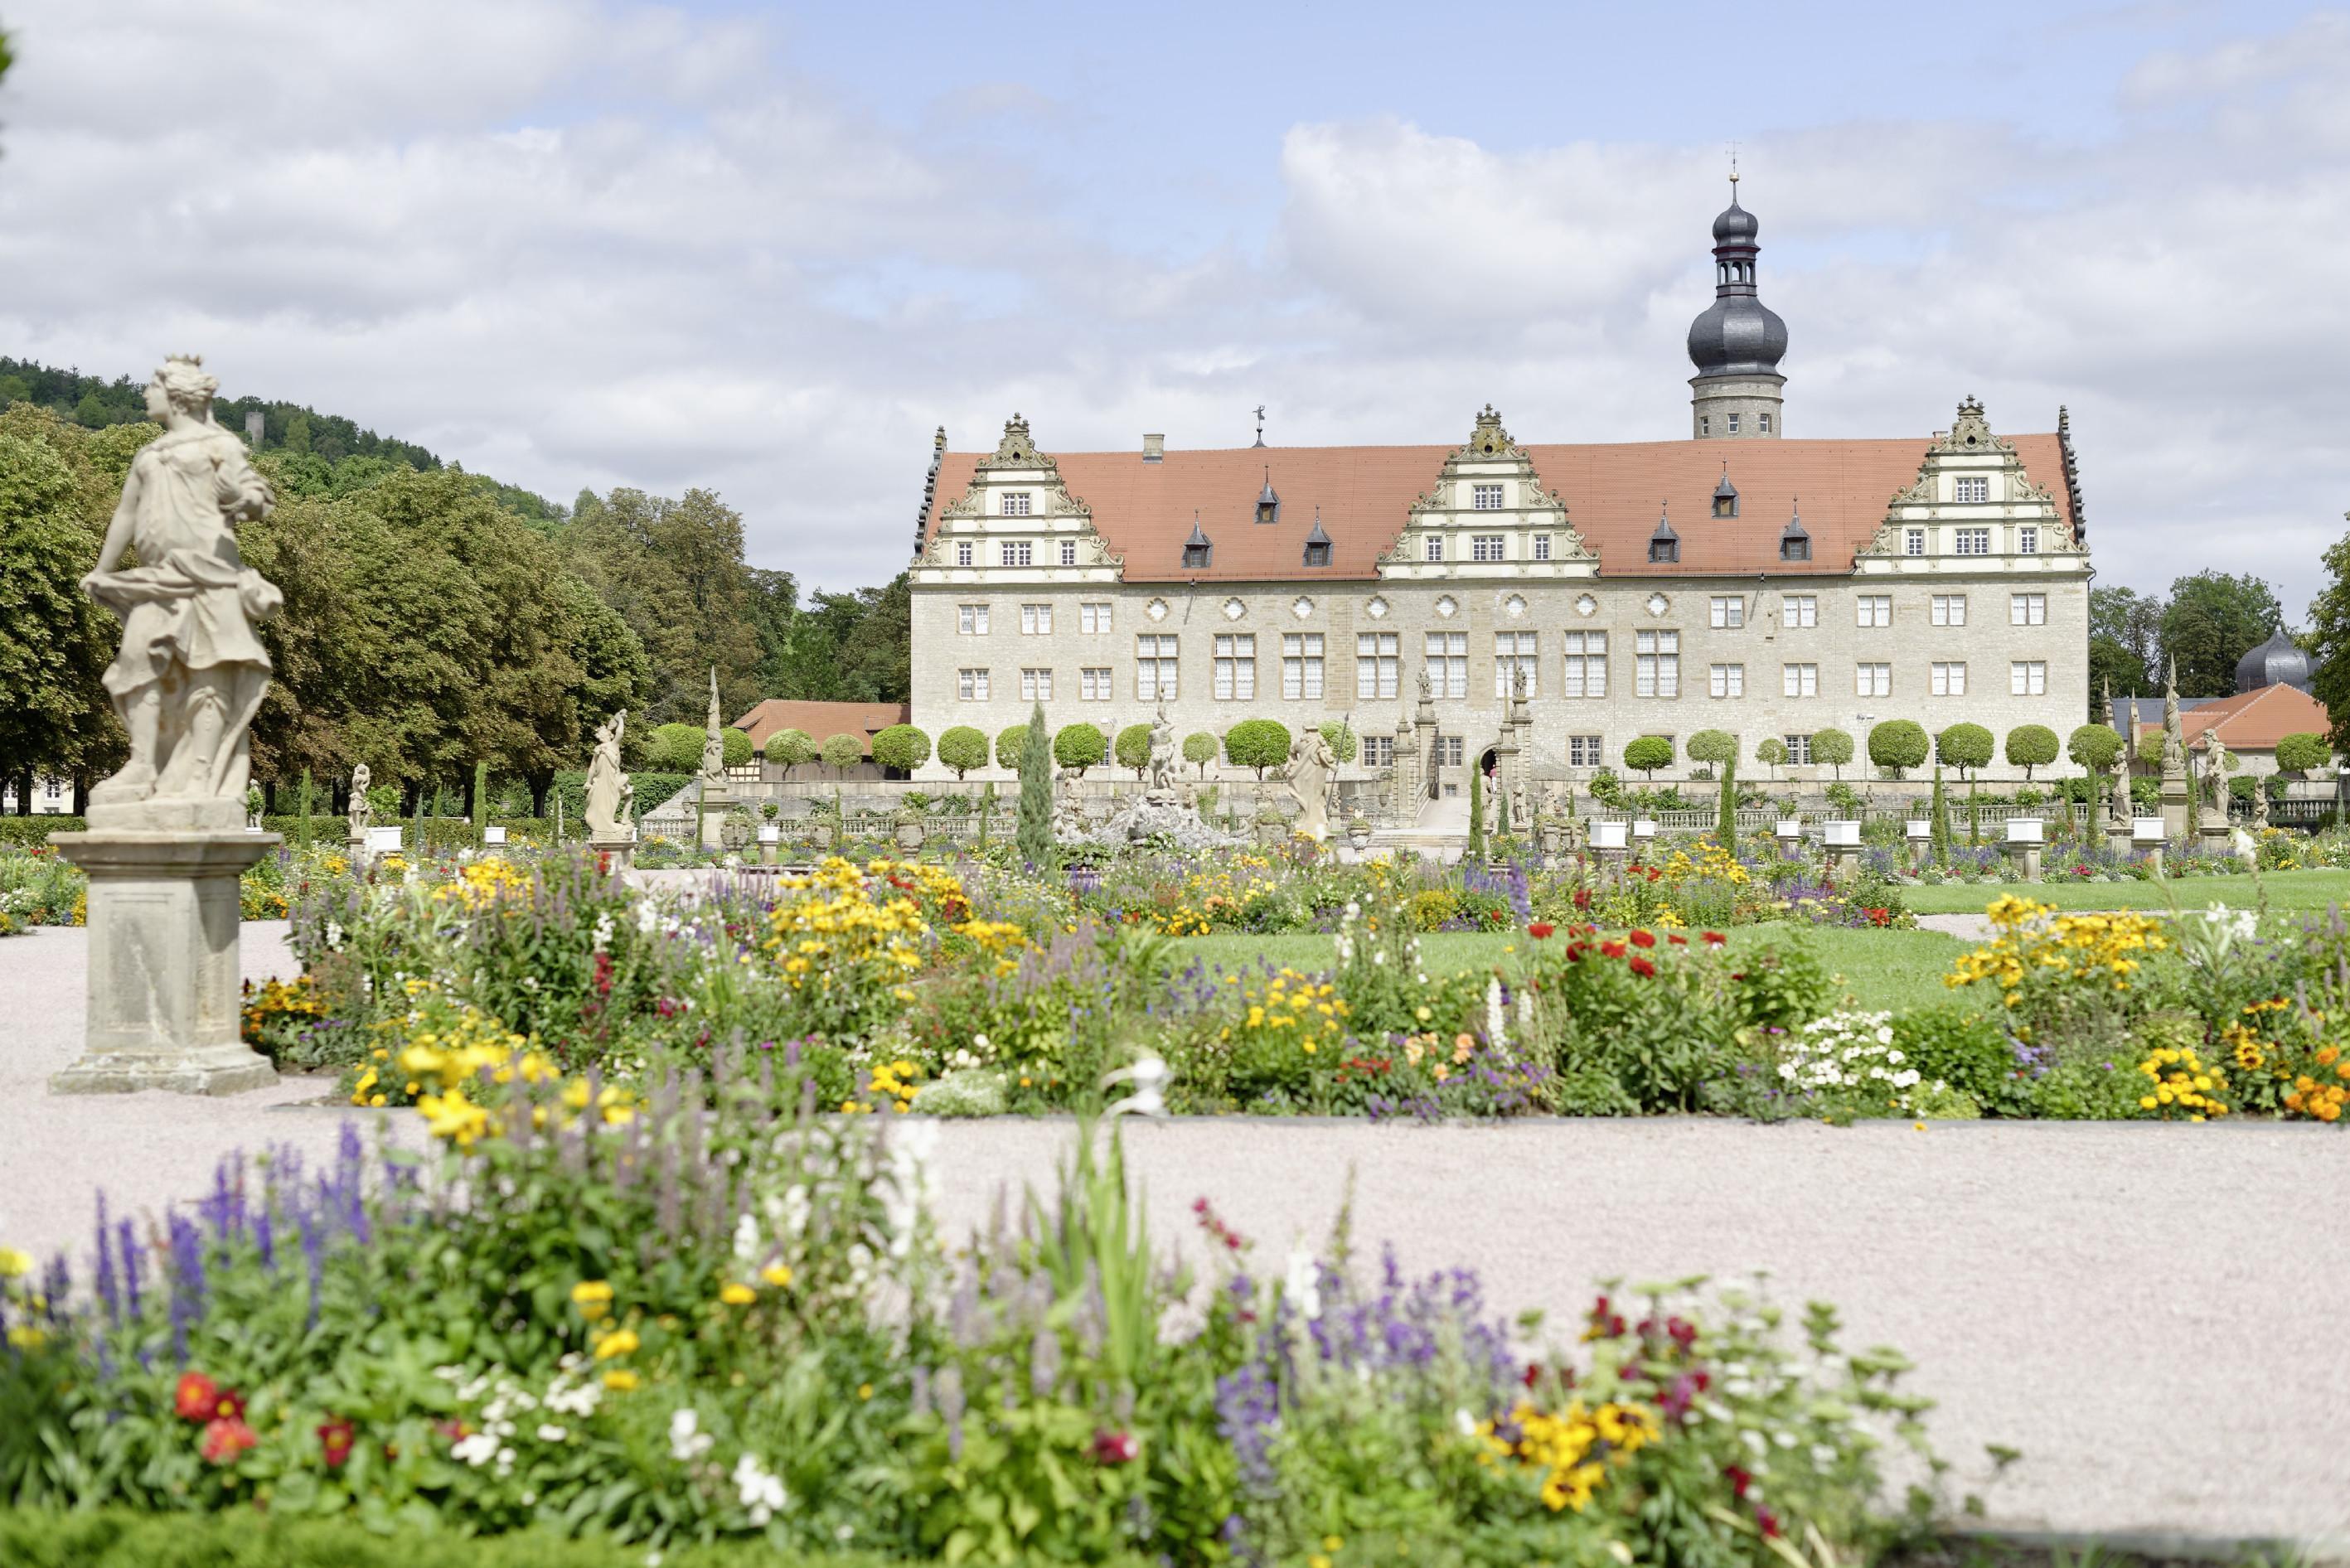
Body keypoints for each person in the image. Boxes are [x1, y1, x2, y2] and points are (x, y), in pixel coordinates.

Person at [84, 356, 280, 812]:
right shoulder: (149, 454)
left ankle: (200, 772)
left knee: (209, 676)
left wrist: (245, 501)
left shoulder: (218, 444)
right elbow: (127, 514)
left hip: (211, 576)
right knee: (137, 665)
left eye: (152, 386)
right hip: (158, 580)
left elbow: (255, 495)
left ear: (175, 394)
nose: (145, 394)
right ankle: (142, 765)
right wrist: (103, 569)